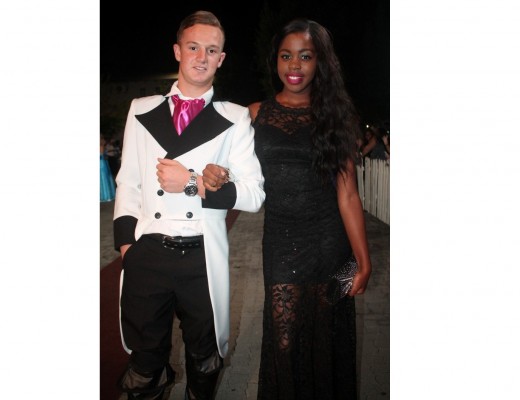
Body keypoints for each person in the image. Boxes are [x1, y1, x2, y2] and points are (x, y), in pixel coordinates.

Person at [203, 18, 372, 399]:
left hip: (329, 242)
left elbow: (348, 195)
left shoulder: (336, 117)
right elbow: (233, 170)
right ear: (275, 61)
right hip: (281, 242)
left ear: (320, 62)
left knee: (327, 338)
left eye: (305, 56)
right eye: (286, 56)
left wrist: (364, 260)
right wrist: (216, 174)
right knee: (284, 341)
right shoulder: (254, 114)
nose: (294, 65)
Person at [113, 11, 265, 400]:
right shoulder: (141, 108)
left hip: (202, 256)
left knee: (204, 360)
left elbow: (254, 194)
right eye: (193, 47)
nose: (201, 57)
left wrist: (193, 182)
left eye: (211, 50)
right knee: (144, 365)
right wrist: (127, 246)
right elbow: (128, 181)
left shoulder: (234, 118)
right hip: (148, 253)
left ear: (221, 59)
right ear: (177, 51)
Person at [100, 134, 116, 202]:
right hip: (102, 163)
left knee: (103, 178)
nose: (104, 141)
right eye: (103, 139)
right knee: (104, 178)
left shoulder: (102, 146)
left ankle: (104, 195)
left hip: (102, 163)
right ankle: (106, 195)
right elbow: (102, 155)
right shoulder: (101, 146)